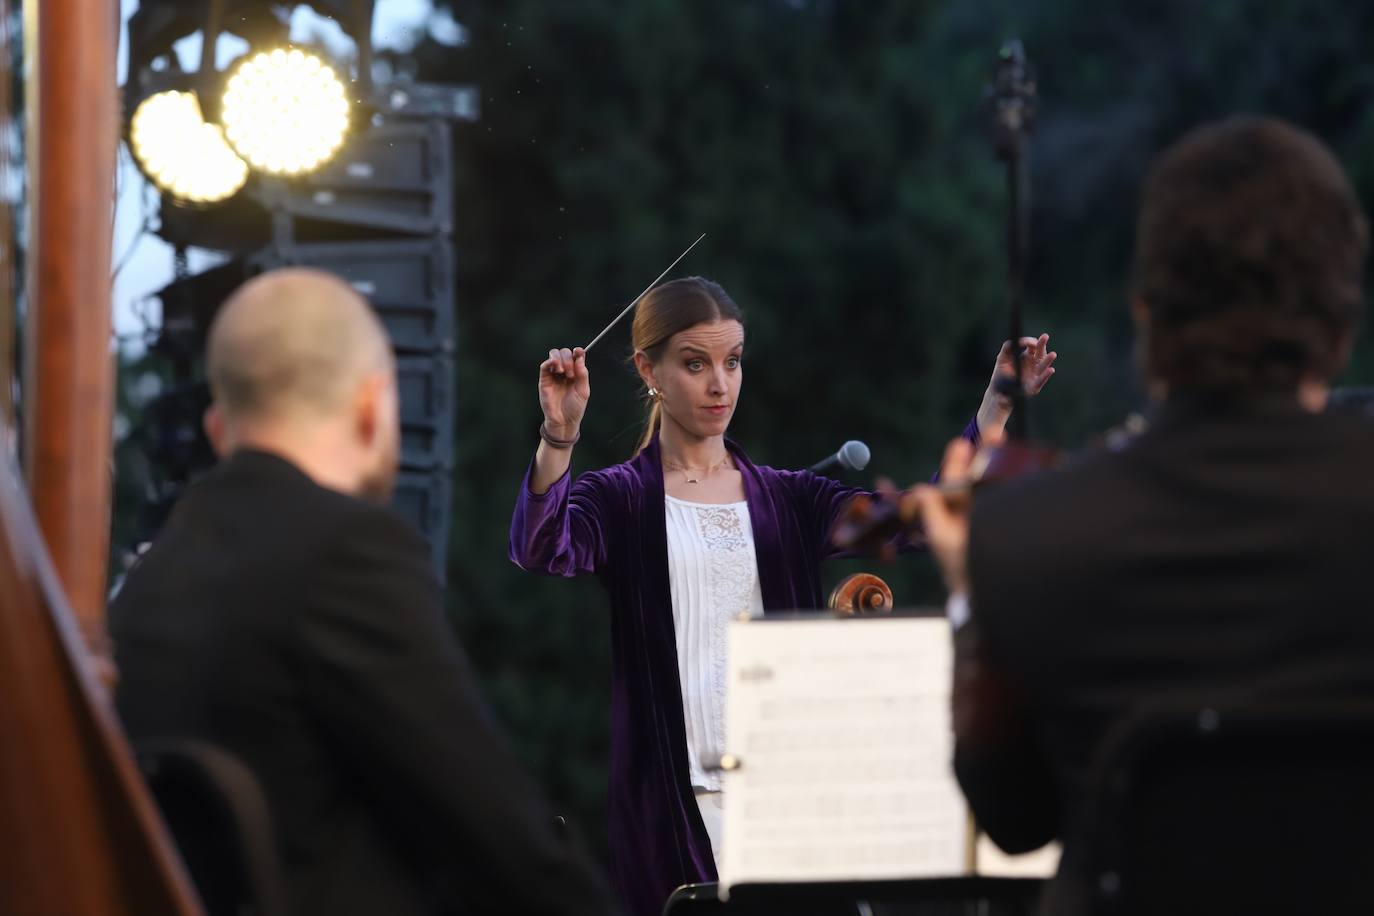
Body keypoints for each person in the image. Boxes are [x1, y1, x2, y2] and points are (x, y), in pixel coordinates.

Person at [915, 116, 1374, 915]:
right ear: (1341, 324)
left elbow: (1015, 820)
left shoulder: (1029, 538)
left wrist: (968, 600)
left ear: (1148, 316)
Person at [509, 276, 1056, 915]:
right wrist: (559, 435)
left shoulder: (786, 498)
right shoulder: (621, 497)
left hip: (786, 805)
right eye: (695, 363)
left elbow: (921, 519)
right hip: (670, 807)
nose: (720, 384)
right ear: (647, 369)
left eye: (733, 361)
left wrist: (996, 403)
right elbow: (541, 547)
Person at [111, 269, 617, 916]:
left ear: (218, 429)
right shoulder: (343, 552)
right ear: (372, 406)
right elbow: (498, 837)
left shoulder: (144, 583)